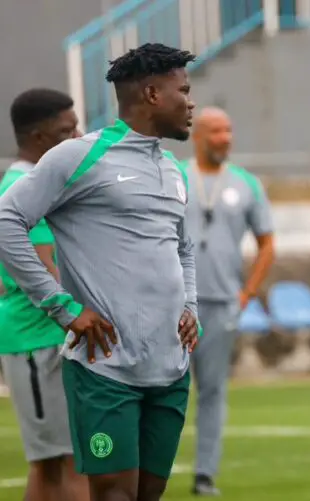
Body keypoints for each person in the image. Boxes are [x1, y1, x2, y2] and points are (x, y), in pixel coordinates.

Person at [0, 43, 200, 501]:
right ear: (152, 94)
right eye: (184, 91)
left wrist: (191, 304)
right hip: (105, 369)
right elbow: (6, 220)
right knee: (112, 495)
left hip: (169, 367)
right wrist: (62, 307)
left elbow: (184, 249)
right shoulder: (79, 157)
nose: (191, 103)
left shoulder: (173, 169)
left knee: (148, 495)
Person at [0, 88, 88, 501]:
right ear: (39, 138)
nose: (79, 138)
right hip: (38, 340)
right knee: (68, 463)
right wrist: (81, 315)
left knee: (53, 466)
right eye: (67, 131)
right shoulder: (23, 187)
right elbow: (43, 265)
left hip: (48, 338)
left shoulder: (38, 183)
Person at [185, 107, 275, 496]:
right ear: (197, 136)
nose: (225, 138)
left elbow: (267, 243)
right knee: (161, 388)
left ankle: (205, 473)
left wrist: (247, 292)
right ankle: (148, 469)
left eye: (228, 130)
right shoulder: (175, 177)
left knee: (212, 390)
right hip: (174, 305)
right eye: (216, 131)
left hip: (222, 303)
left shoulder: (246, 183)